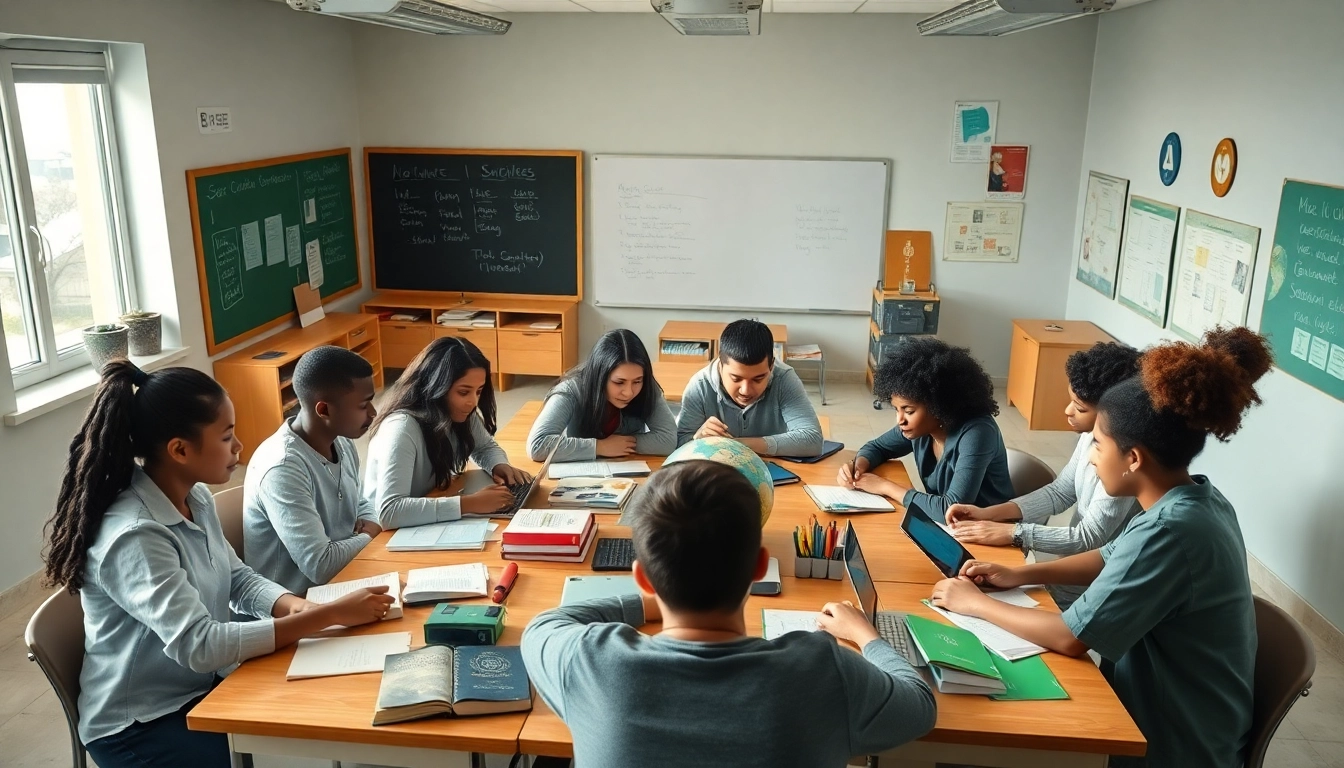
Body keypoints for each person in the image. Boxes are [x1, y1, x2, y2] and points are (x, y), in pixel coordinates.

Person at [929, 327, 1270, 768]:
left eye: (1098, 444)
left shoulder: (1169, 532)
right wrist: (1019, 574)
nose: (1090, 456)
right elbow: (1110, 556)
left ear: (1133, 459)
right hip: (1172, 714)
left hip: (1171, 744)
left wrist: (974, 603)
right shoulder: (1195, 499)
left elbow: (1070, 637)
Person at [42, 362, 394, 768]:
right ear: (180, 450)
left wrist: (299, 608)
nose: (239, 447)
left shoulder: (194, 497)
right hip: (140, 726)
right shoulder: (135, 535)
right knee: (290, 754)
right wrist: (324, 617)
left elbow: (239, 579)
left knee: (328, 716)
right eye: (226, 437)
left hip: (200, 688)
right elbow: (199, 645)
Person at [521, 460, 936, 767]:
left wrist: (653, 596)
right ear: (760, 567)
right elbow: (919, 704)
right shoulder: (822, 670)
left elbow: (545, 624)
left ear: (643, 579)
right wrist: (867, 636)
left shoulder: (590, 661)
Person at [946, 342, 1143, 608]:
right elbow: (1060, 491)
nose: (1067, 411)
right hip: (1069, 570)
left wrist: (1013, 533)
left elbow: (1089, 537)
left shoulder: (1122, 466)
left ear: (1116, 415)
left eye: (1080, 408)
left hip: (1099, 585)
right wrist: (988, 514)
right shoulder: (1091, 436)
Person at [243, 346, 382, 595]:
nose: (373, 412)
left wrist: (369, 524)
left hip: (345, 579)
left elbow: (360, 503)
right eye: (363, 405)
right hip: (298, 605)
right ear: (324, 410)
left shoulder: (341, 440)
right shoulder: (283, 468)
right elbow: (320, 565)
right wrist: (370, 535)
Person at [363, 336, 532, 529]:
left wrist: (498, 465)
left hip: (427, 511)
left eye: (478, 391)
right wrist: (469, 504)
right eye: (463, 392)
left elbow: (484, 447)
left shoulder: (459, 412)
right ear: (437, 387)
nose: (473, 402)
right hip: (386, 532)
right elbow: (389, 511)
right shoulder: (401, 428)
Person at [840, 337, 1012, 520]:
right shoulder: (920, 428)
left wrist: (884, 486)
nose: (900, 420)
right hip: (951, 527)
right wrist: (858, 466)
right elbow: (878, 447)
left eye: (909, 411)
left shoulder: (977, 433)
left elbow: (952, 510)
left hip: (989, 528)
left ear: (939, 405)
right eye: (897, 409)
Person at [676, 319, 822, 457]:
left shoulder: (784, 378)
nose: (745, 390)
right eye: (736, 379)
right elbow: (679, 442)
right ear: (720, 365)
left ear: (771, 366)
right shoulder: (700, 385)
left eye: (758, 379)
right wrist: (697, 439)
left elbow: (812, 439)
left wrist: (734, 445)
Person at [526, 329, 675, 462]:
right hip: (579, 472)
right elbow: (538, 445)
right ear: (600, 376)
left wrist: (621, 445)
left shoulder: (646, 385)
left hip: (628, 468)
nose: (629, 392)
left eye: (637, 381)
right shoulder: (570, 391)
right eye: (619, 382)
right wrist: (599, 447)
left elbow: (668, 440)